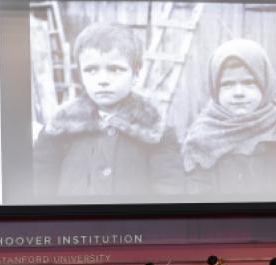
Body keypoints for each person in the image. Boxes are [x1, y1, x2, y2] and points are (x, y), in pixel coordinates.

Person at [34, 22, 183, 199]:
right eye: (91, 70)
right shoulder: (59, 129)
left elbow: (169, 192)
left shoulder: (156, 132)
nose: (102, 79)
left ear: (135, 75)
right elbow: (39, 190)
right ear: (80, 74)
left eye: (114, 69)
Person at [182, 38, 276, 196]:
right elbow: (198, 196)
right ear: (215, 90)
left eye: (249, 83)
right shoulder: (201, 136)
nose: (238, 92)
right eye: (227, 84)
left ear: (265, 85)